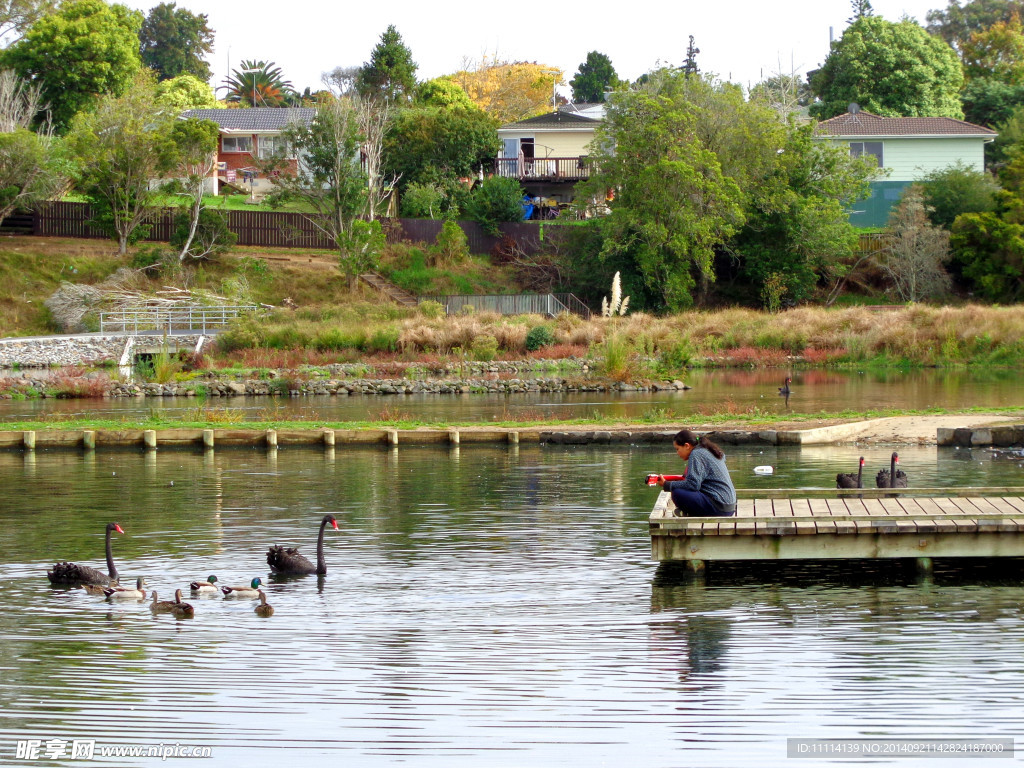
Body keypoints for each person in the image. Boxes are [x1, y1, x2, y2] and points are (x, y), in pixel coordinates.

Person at [656, 430, 737, 517]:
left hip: (720, 509)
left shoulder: (696, 454)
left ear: (687, 445)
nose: (677, 453)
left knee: (677, 492)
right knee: (680, 488)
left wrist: (666, 484)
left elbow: (693, 485)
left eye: (677, 449)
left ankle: (689, 512)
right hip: (729, 507)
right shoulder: (707, 450)